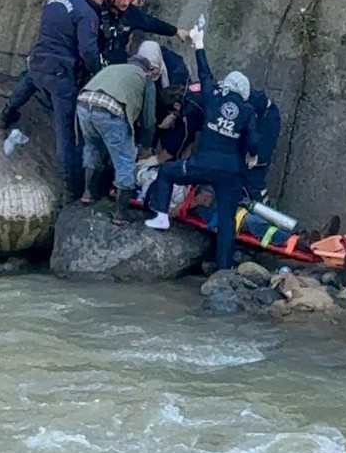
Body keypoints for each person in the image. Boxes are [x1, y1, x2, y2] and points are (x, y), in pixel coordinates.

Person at [146, 23, 258, 272]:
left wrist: (200, 44)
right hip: (231, 172)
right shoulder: (249, 111)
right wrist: (251, 155)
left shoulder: (213, 96)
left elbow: (204, 73)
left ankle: (161, 216)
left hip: (203, 164)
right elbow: (253, 142)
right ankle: (225, 269)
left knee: (167, 172)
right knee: (227, 221)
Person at [0, 0, 104, 130]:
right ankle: (15, 109)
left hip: (86, 23)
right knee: (42, 72)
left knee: (36, 73)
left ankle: (12, 108)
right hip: (67, 32)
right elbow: (57, 8)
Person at [27, 0, 108, 203]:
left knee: (28, 83)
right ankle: (69, 188)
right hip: (61, 72)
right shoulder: (87, 13)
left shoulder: (56, 0)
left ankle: (7, 113)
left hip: (39, 60)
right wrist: (99, 74)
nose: (102, 2)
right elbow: (88, 50)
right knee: (66, 133)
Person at [76, 41, 159, 225]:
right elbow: (148, 119)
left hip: (83, 103)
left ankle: (88, 194)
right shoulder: (145, 78)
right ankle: (121, 214)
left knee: (92, 147)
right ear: (147, 69)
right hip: (110, 110)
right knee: (124, 160)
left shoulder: (114, 67)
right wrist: (146, 145)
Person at [100, 0, 189, 66]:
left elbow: (152, 23)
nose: (125, 3)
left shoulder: (130, 13)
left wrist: (175, 31)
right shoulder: (97, 10)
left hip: (118, 65)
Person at [246, 89, 282, 202]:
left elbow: (253, 138)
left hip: (264, 120)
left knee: (255, 173)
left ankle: (265, 211)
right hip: (261, 115)